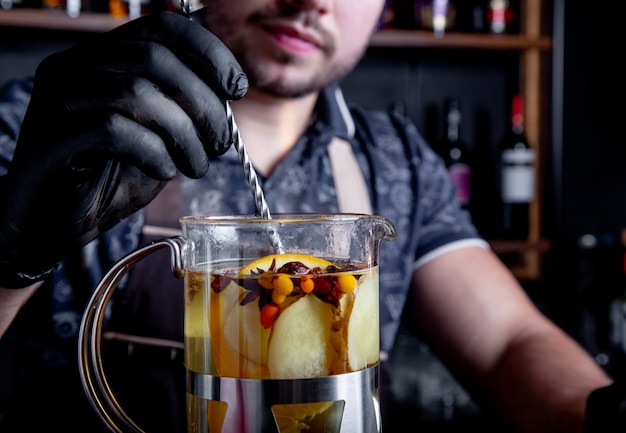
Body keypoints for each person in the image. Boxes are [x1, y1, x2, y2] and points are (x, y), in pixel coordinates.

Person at [0, 0, 620, 432]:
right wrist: (9, 255)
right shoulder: (54, 122)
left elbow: (510, 343)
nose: (309, 2)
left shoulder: (397, 159)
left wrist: (593, 413)